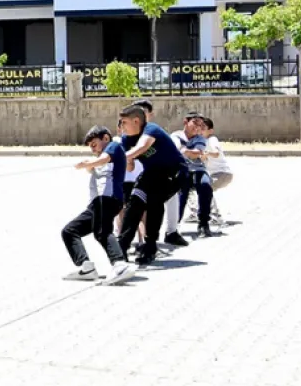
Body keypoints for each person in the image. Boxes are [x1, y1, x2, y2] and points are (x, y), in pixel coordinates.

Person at [116, 103, 189, 266]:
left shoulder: (151, 129)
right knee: (135, 201)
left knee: (153, 202)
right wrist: (126, 160)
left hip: (175, 173)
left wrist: (121, 157)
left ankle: (149, 248)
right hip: (153, 173)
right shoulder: (126, 139)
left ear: (136, 121)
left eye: (124, 122)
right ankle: (122, 247)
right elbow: (131, 166)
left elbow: (143, 146)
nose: (122, 127)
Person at [63, 125, 134, 284]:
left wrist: (88, 164)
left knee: (102, 232)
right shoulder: (101, 157)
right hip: (96, 203)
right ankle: (86, 267)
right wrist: (88, 164)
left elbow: (103, 160)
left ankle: (120, 264)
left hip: (108, 198)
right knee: (69, 231)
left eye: (94, 144)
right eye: (90, 147)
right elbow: (97, 165)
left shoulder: (114, 147)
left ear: (105, 139)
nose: (93, 149)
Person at [175, 114, 217, 238]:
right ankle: (174, 226)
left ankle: (204, 223)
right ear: (185, 122)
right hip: (183, 170)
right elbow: (176, 149)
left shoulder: (201, 138)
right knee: (182, 193)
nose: (198, 127)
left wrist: (186, 151)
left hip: (198, 169)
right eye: (195, 123)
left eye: (200, 125)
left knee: (205, 185)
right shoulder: (176, 136)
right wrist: (186, 151)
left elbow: (196, 153)